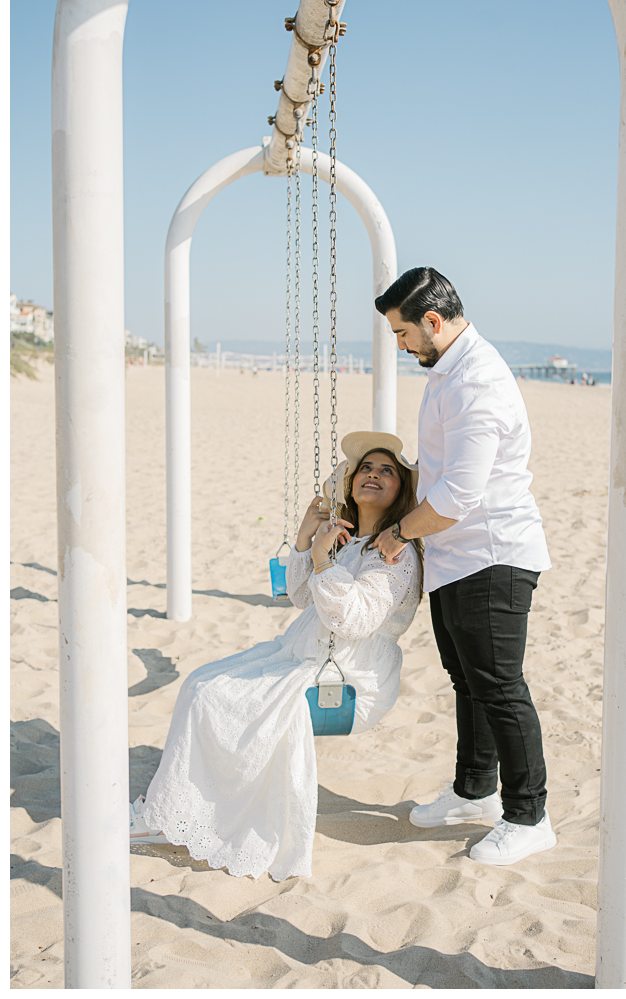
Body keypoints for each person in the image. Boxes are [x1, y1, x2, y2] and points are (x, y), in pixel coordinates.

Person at [129, 432, 422, 881]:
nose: (374, 476)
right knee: (200, 682)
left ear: (401, 489)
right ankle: (180, 810)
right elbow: (302, 596)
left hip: (346, 674)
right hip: (305, 650)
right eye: (367, 468)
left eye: (388, 472)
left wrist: (324, 560)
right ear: (350, 481)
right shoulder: (349, 539)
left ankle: (180, 817)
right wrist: (309, 539)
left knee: (214, 698)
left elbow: (355, 620)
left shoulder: (394, 550)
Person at [374, 267, 556, 867]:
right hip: (455, 557)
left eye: (404, 333)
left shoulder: (477, 381)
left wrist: (398, 533)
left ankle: (530, 816)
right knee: (468, 680)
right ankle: (473, 791)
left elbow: (459, 497)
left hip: (493, 554)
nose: (401, 346)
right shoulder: (446, 368)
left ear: (432, 321)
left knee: (500, 688)